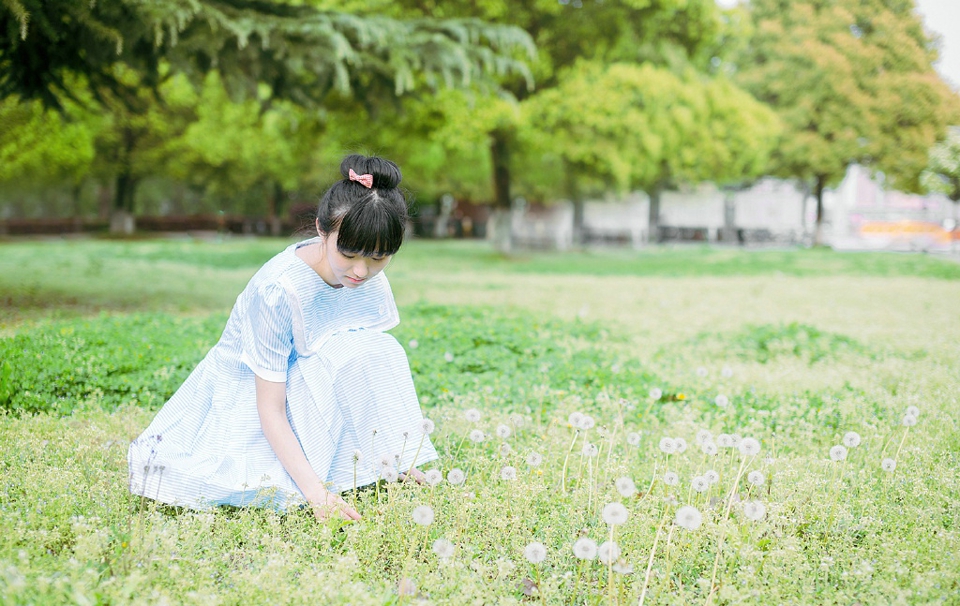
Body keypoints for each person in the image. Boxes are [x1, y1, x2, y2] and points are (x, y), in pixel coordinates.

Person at [127, 154, 438, 521]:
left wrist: (392, 457)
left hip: (312, 383)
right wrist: (316, 493)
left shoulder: (366, 275)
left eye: (379, 258)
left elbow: (368, 369)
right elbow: (268, 406)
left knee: (381, 348)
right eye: (349, 253)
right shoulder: (280, 289)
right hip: (259, 394)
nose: (361, 270)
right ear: (322, 230)